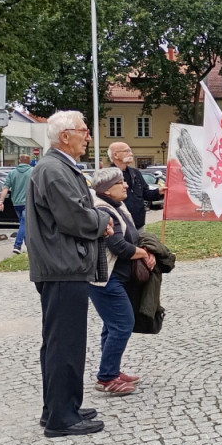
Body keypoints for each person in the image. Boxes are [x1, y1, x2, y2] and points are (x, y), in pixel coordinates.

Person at [28, 111, 113, 437]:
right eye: (84, 131)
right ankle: (62, 417)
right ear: (65, 136)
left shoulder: (57, 167)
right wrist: (103, 219)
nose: (88, 137)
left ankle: (59, 407)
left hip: (62, 264)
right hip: (63, 266)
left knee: (58, 342)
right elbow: (75, 218)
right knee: (65, 344)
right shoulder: (54, 170)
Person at [88, 168, 156, 395]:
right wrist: (143, 254)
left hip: (116, 276)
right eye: (120, 182)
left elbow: (133, 236)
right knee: (122, 324)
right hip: (104, 278)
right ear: (107, 189)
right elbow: (117, 245)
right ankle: (107, 378)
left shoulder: (117, 205)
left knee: (112, 325)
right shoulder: (103, 209)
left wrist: (145, 249)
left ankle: (112, 370)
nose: (126, 185)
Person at [108, 141, 164, 231]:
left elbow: (145, 193)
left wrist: (159, 192)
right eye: (127, 151)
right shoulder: (108, 175)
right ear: (115, 155)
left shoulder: (135, 173)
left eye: (130, 151)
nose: (131, 154)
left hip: (138, 223)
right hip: (119, 224)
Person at [0, 154, 33, 254]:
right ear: (29, 162)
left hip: (16, 203)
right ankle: (17, 245)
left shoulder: (12, 173)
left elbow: (5, 187)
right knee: (24, 224)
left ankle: (28, 247)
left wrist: (1, 201)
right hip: (28, 202)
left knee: (23, 224)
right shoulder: (33, 171)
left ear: (19, 161)